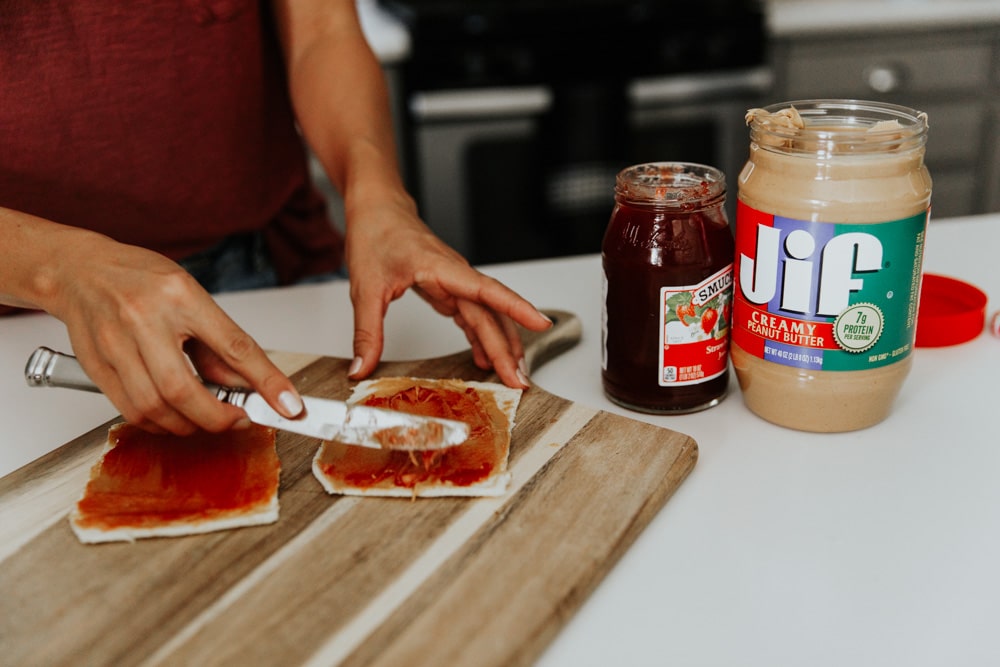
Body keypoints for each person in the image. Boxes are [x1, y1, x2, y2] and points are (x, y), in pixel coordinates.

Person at [0, 1, 551, 436]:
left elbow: (322, 31)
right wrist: (58, 269)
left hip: (271, 261)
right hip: (22, 310)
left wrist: (377, 196)